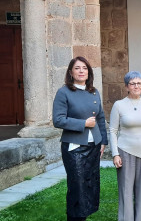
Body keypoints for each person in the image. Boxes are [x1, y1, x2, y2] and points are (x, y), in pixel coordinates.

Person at [53, 56, 108, 221]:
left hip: (93, 146)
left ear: (89, 72)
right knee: (77, 187)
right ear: (71, 72)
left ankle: (83, 217)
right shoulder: (64, 92)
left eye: (84, 68)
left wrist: (103, 141)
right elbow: (58, 120)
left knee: (90, 186)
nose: (81, 71)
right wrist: (83, 123)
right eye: (77, 68)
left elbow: (100, 118)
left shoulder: (94, 91)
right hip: (74, 148)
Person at [109, 71, 141, 221]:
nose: (136, 86)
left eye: (139, 83)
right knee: (126, 190)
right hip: (125, 152)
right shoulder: (118, 105)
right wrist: (115, 153)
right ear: (126, 87)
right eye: (133, 83)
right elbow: (112, 131)